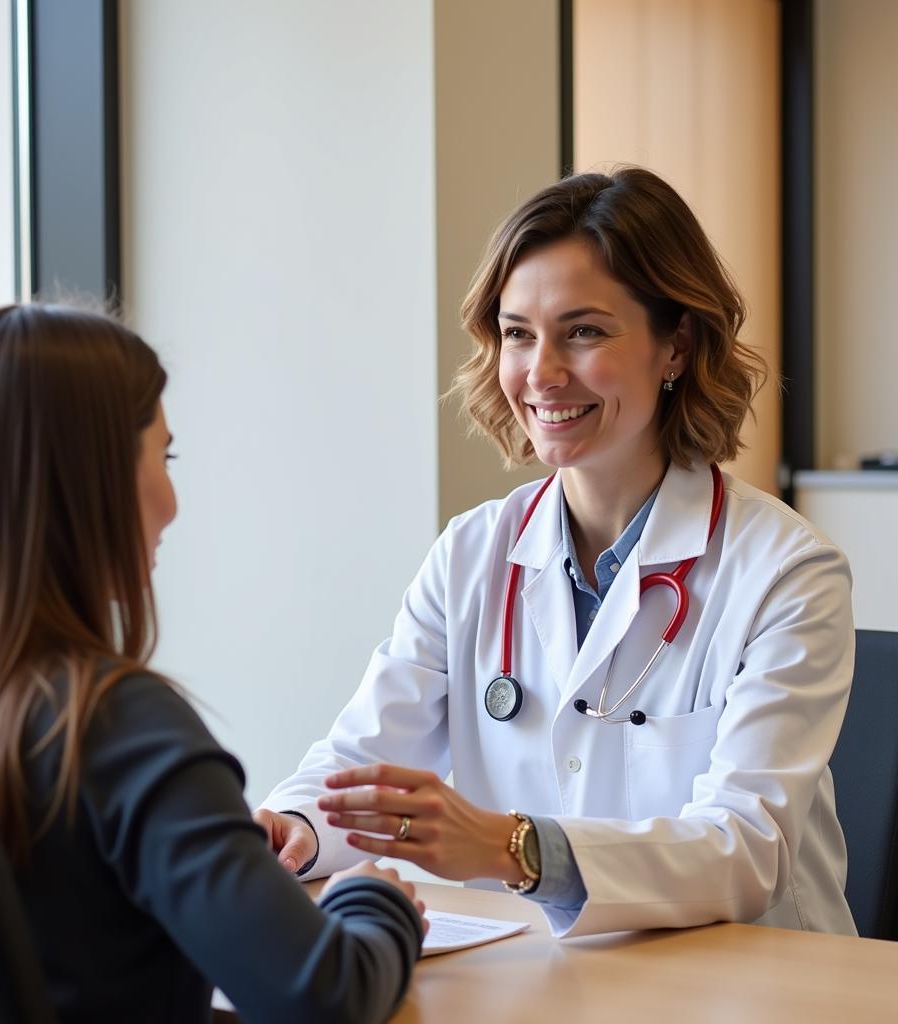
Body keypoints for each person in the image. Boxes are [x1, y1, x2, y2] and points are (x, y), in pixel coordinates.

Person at [257, 167, 858, 939]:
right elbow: (358, 759)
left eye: (584, 331)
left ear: (675, 346)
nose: (539, 373)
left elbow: (745, 849)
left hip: (752, 985)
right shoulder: (472, 553)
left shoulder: (785, 571)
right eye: (517, 334)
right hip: (544, 977)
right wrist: (297, 825)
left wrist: (515, 848)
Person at [0, 304, 425, 1022]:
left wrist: (209, 844)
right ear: (91, 482)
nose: (173, 502)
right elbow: (324, 996)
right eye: (162, 458)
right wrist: (375, 899)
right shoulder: (117, 724)